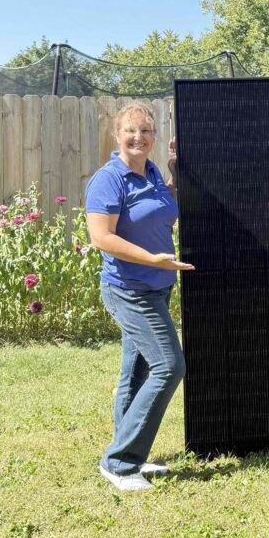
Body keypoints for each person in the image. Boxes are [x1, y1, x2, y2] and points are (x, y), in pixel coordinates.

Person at [85, 101, 193, 492]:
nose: (138, 137)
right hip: (128, 289)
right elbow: (101, 237)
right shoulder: (108, 179)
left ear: (154, 137)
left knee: (137, 372)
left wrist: (174, 174)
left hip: (157, 287)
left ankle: (128, 453)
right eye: (131, 130)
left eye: (145, 131)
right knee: (169, 366)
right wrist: (151, 258)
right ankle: (119, 461)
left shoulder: (149, 174)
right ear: (117, 135)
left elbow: (160, 211)